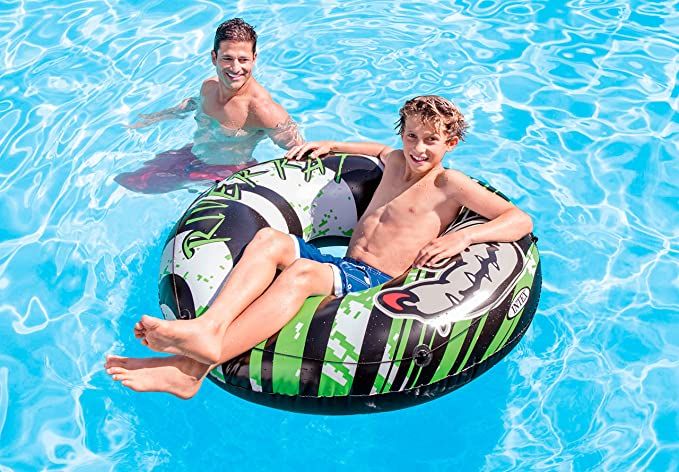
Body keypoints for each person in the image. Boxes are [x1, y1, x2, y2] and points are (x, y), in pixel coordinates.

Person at [105, 95, 534, 398]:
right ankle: (208, 328)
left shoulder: (449, 183)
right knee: (270, 240)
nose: (418, 149)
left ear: (450, 144)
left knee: (302, 274)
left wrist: (462, 236)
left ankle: (197, 366)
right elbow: (376, 150)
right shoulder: (395, 160)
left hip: (377, 283)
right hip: (348, 265)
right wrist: (333, 145)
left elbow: (519, 219)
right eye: (412, 136)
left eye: (430, 141)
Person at [115, 18, 303, 193]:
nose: (236, 68)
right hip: (192, 155)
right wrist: (160, 116)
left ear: (254, 58)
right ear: (214, 57)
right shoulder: (209, 87)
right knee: (131, 182)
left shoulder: (262, 110)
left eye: (243, 59)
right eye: (227, 58)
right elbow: (193, 103)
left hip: (227, 174)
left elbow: (299, 149)